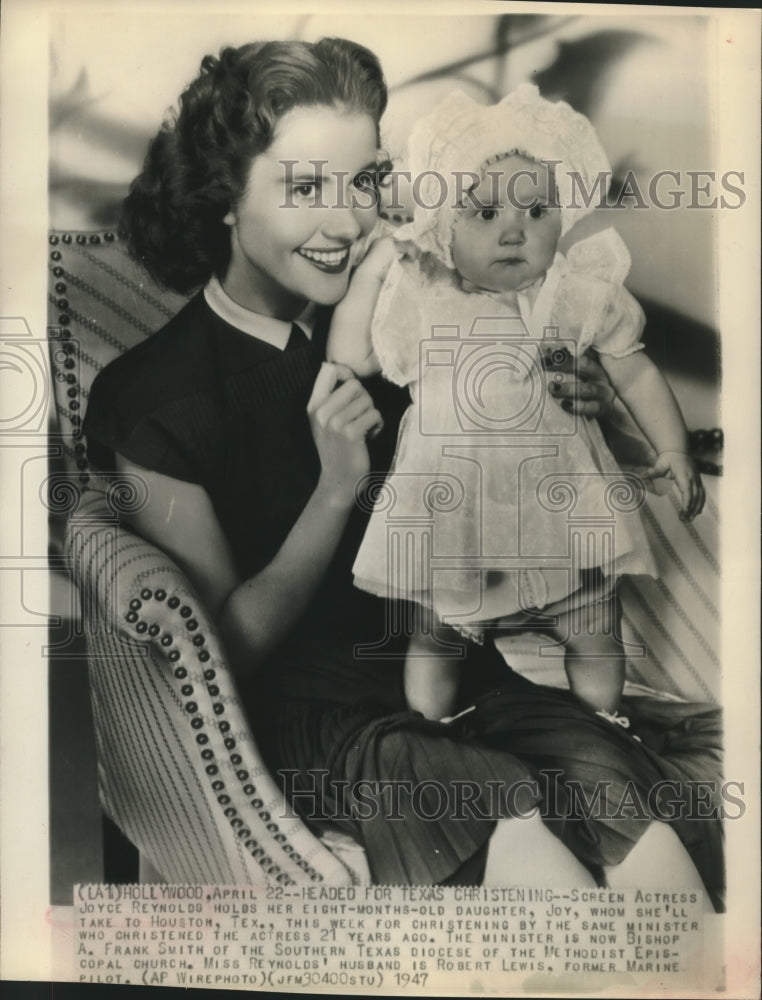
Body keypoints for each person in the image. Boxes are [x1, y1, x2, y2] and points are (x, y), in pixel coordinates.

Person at [82, 39, 722, 902]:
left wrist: (584, 406)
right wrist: (334, 486)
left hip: (460, 665)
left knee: (627, 813)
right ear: (225, 196)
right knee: (511, 828)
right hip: (310, 716)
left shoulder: (423, 300)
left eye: (363, 180)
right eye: (305, 187)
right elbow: (219, 651)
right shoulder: (151, 395)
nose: (347, 222)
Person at [328, 86, 705, 722]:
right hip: (458, 519)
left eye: (537, 212)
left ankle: (604, 723)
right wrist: (377, 266)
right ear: (442, 226)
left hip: (561, 513)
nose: (514, 229)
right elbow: (353, 358)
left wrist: (673, 446)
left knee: (593, 630)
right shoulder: (423, 292)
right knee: (436, 637)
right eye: (483, 214)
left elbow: (634, 371)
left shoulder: (576, 292)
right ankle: (434, 729)